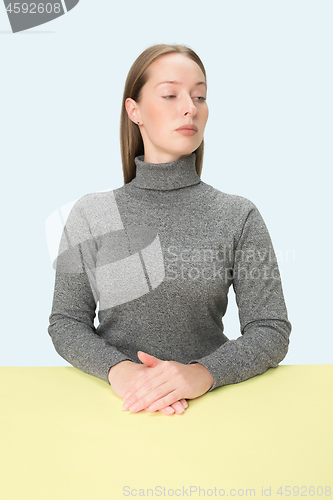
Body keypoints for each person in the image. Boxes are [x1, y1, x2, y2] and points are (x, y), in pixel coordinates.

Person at [48, 43, 292, 416]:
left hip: (213, 411)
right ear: (135, 111)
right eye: (170, 94)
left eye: (200, 96)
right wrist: (121, 372)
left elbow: (270, 330)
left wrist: (202, 373)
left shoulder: (237, 215)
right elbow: (66, 322)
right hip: (112, 410)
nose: (190, 108)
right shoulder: (93, 213)